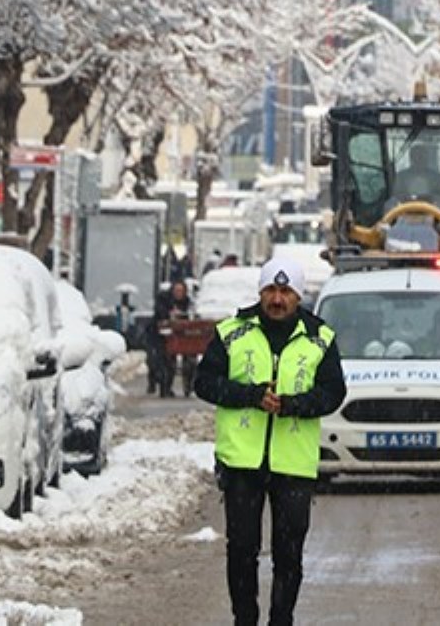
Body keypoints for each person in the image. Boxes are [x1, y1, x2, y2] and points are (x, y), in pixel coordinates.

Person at [193, 258, 346, 626]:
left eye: (286, 292)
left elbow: (333, 392)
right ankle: (244, 619)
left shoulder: (320, 337)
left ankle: (281, 619)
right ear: (260, 292)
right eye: (271, 291)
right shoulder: (232, 332)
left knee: (288, 555)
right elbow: (205, 383)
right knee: (242, 551)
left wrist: (294, 405)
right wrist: (250, 395)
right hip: (241, 464)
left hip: (293, 464)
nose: (278, 299)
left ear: (298, 296)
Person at [151, 280, 194, 397]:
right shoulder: (163, 299)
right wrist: (169, 314)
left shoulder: (187, 301)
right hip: (160, 334)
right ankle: (163, 386)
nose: (179, 293)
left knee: (189, 356)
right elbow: (159, 313)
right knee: (164, 360)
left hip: (179, 334)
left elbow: (189, 315)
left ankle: (188, 385)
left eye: (181, 291)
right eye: (177, 290)